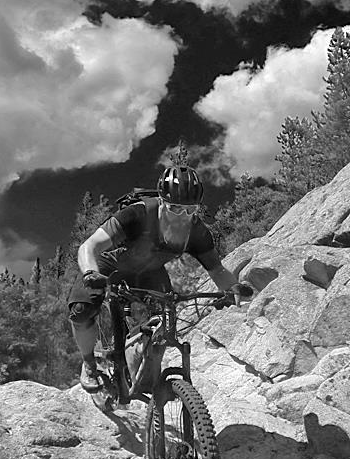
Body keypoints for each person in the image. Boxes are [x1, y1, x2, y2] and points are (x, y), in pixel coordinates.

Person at [68, 165, 252, 392]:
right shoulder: (137, 214)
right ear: (163, 202)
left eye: (190, 209)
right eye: (175, 208)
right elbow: (90, 246)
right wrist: (90, 273)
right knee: (81, 310)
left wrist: (233, 289)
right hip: (111, 264)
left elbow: (217, 270)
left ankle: (144, 382)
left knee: (161, 326)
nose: (183, 216)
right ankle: (88, 364)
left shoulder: (197, 232)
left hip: (150, 271)